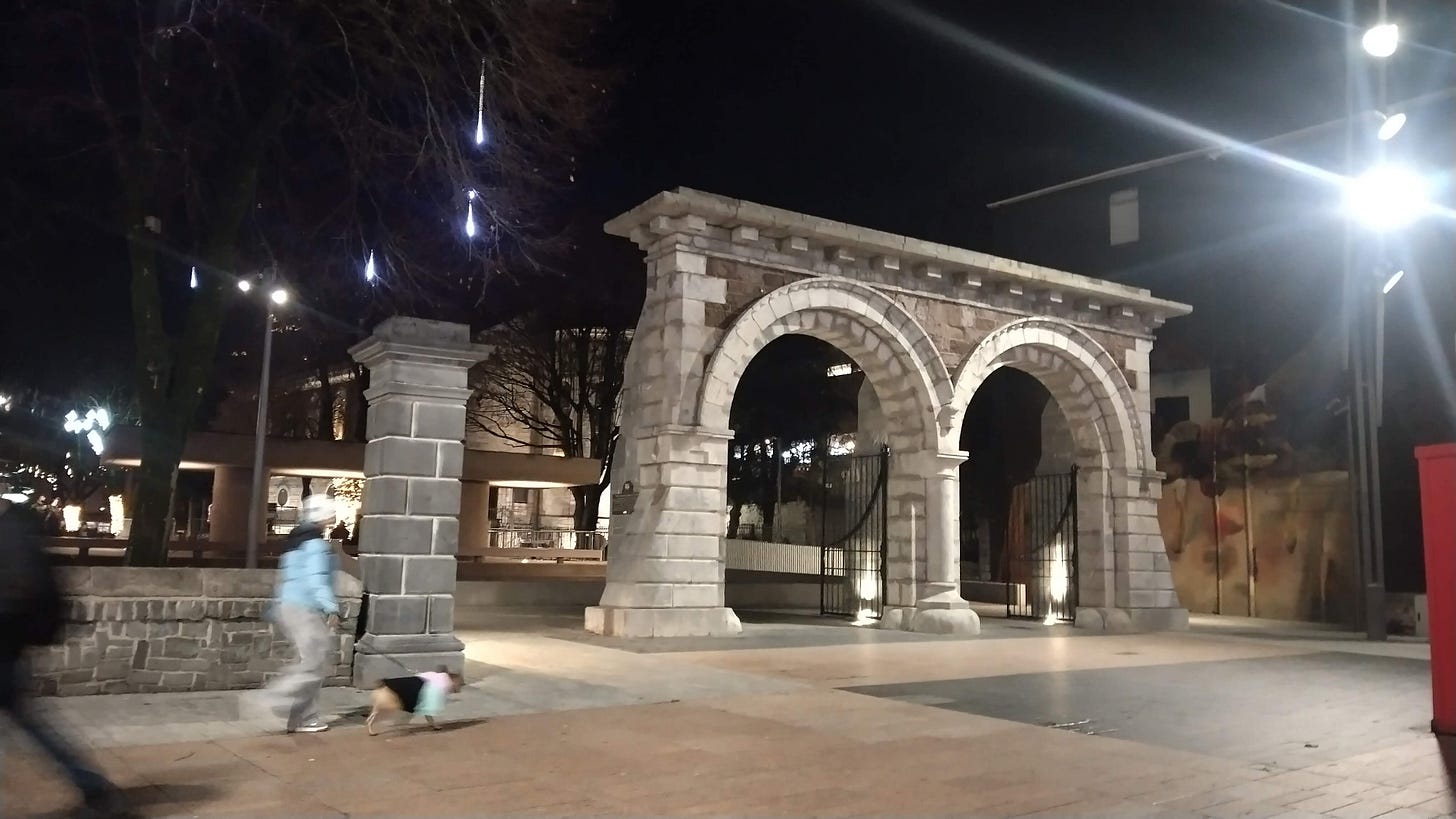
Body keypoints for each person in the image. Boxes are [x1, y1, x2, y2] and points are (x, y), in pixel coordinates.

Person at [0, 483, 119, 813]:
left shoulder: (12, 531)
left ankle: (93, 785)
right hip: (9, 641)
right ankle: (91, 784)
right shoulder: (15, 526)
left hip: (4, 642)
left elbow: (20, 589)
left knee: (30, 722)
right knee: (29, 722)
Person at [263, 494, 339, 734]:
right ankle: (277, 700)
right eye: (330, 512)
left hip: (290, 606)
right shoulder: (315, 544)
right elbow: (316, 580)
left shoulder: (295, 542)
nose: (333, 517)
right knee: (313, 665)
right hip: (305, 608)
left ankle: (303, 717)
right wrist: (331, 607)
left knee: (312, 664)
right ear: (322, 516)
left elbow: (287, 577)